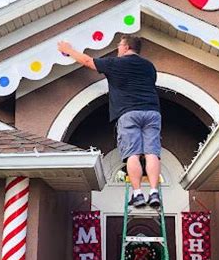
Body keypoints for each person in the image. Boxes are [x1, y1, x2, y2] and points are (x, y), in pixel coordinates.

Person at [57, 35, 161, 208]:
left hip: (129, 113)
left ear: (126, 47)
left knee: (133, 154)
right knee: (152, 153)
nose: (118, 48)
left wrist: (68, 50)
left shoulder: (116, 63)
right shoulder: (149, 66)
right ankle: (154, 192)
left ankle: (138, 194)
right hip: (152, 112)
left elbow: (87, 61)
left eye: (119, 45)